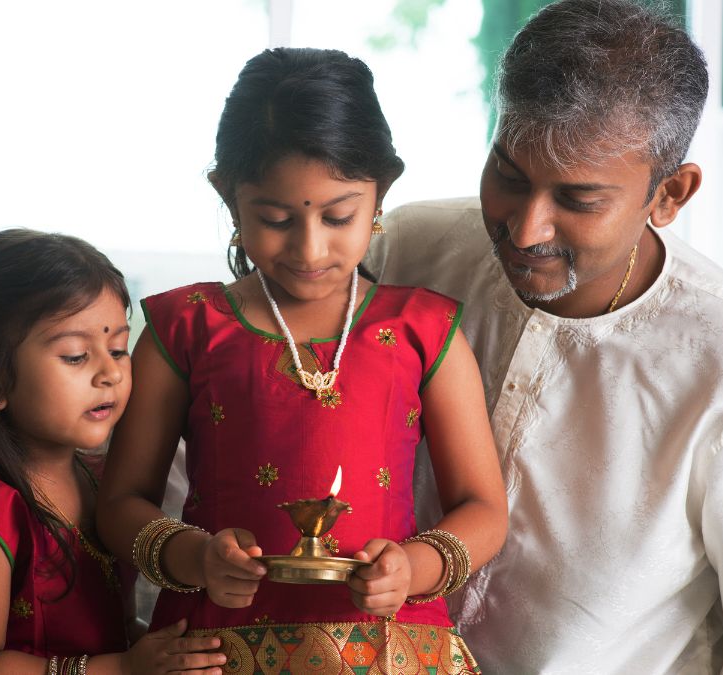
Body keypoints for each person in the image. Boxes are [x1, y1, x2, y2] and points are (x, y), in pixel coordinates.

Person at [364, 0, 723, 672]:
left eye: (577, 200)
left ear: (671, 194)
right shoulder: (404, 253)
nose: (524, 229)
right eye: (508, 177)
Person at [97, 47, 508, 673]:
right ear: (229, 199)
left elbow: (483, 507)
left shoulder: (423, 329)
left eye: (339, 216)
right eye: (275, 218)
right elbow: (120, 503)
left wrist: (414, 568)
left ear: (381, 194)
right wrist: (195, 557)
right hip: (218, 649)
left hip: (391, 646)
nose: (309, 248)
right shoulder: (184, 329)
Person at [0, 229, 228, 674]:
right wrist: (127, 669)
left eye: (117, 348)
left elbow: (112, 628)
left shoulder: (102, 484)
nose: (110, 372)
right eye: (75, 355)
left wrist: (167, 652)